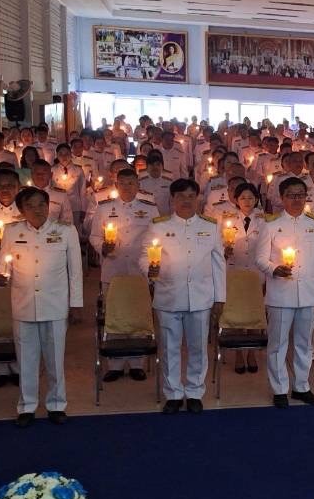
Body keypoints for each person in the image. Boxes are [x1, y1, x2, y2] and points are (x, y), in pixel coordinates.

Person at [0, 187, 83, 425]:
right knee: (26, 359)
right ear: (21, 210)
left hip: (55, 304)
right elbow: (3, 263)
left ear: (48, 205)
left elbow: (75, 271)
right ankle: (27, 406)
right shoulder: (11, 231)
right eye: (30, 206)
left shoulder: (65, 230)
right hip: (23, 304)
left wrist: (76, 304)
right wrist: (0, 275)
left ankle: (57, 404)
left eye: (41, 204)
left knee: (55, 359)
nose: (37, 210)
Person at [147, 179, 226, 414]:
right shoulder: (158, 226)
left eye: (191, 196)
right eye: (181, 196)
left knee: (198, 347)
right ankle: (173, 393)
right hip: (169, 295)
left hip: (200, 298)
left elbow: (218, 264)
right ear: (172, 199)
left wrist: (220, 297)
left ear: (198, 199)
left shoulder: (210, 226)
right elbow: (145, 255)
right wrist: (150, 270)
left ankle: (194, 392)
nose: (186, 200)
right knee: (170, 348)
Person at [254, 176, 314, 408]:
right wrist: (274, 269)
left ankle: (301, 386)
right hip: (281, 292)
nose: (297, 200)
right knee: (278, 343)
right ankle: (279, 388)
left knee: (304, 343)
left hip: (308, 292)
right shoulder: (270, 224)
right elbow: (260, 258)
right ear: (282, 198)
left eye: (300, 195)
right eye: (291, 195)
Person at [89, 168, 158, 383]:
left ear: (138, 185)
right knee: (115, 314)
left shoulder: (149, 208)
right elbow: (94, 236)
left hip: (139, 269)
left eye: (131, 183)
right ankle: (115, 365)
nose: (127, 187)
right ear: (116, 185)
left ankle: (137, 363)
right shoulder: (104, 207)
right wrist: (102, 247)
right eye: (123, 183)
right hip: (114, 268)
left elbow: (157, 237)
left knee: (138, 313)